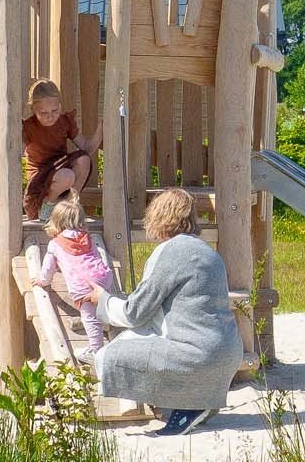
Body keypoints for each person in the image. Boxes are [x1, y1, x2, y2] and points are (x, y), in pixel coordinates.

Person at [87, 189, 242, 437]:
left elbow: (134, 313)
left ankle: (188, 406)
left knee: (110, 355)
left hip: (198, 357)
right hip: (228, 353)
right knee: (145, 339)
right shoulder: (208, 252)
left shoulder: (170, 251)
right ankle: (197, 401)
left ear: (159, 216)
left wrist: (101, 300)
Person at [32, 192, 118, 352]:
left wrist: (42, 281)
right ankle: (106, 318)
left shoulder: (55, 244)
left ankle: (96, 351)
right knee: (100, 306)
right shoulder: (87, 238)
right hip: (103, 276)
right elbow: (89, 257)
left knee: (90, 318)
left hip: (84, 284)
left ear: (56, 221)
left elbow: (48, 268)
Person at [21, 78, 101, 222]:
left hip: (60, 168)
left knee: (84, 159)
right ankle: (47, 205)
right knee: (67, 176)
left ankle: (70, 206)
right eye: (43, 113)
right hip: (40, 178)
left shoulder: (64, 122)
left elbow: (87, 148)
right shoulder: (29, 127)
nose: (50, 116)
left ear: (60, 105)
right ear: (32, 109)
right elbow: (16, 153)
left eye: (54, 110)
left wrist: (102, 128)